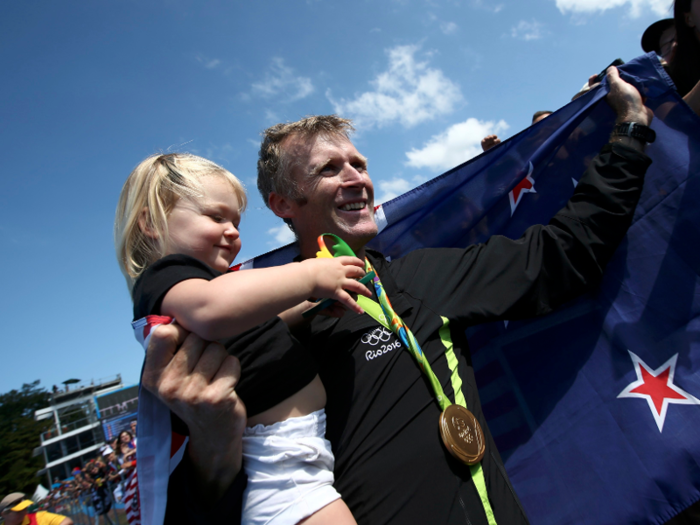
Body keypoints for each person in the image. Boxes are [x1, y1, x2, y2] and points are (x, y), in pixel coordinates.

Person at [145, 66, 653, 524]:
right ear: (283, 204)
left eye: (359, 164)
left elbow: (563, 255)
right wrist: (212, 450)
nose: (357, 179)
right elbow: (219, 499)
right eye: (330, 169)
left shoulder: (425, 275)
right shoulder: (259, 322)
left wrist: (628, 134)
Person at [115, 153, 371, 524]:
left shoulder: (211, 286)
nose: (233, 231)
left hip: (293, 454)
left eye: (235, 221)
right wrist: (311, 276)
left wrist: (309, 304)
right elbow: (212, 309)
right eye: (216, 217)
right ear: (151, 224)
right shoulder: (166, 277)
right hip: (277, 466)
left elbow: (257, 320)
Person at [481, 110, 552, 152]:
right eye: (539, 127)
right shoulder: (528, 163)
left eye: (551, 123)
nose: (545, 128)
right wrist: (494, 156)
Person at [0, 493, 73, 525]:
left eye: (24, 509)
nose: (24, 513)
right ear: (4, 514)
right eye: (18, 511)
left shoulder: (38, 517)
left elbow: (67, 521)